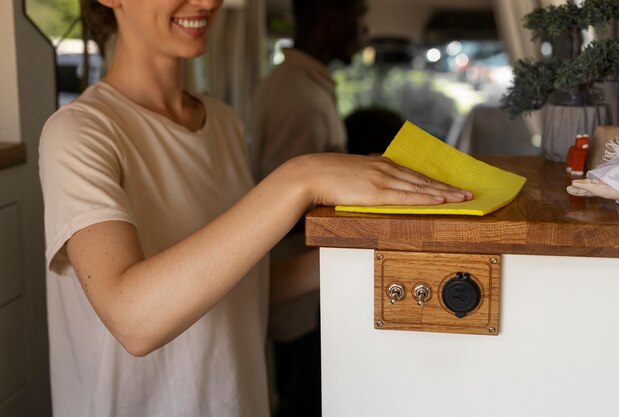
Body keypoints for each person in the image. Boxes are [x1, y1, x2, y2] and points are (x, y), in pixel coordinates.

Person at [38, 1, 473, 417]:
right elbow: (132, 319)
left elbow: (243, 284)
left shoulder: (225, 123)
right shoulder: (79, 132)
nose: (209, 2)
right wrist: (301, 178)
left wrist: (382, 248)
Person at [250, 2, 368, 415]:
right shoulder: (294, 97)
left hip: (309, 286)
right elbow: (278, 213)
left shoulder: (305, 86)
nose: (363, 33)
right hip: (297, 298)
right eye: (359, 22)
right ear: (330, 21)